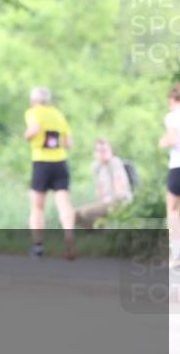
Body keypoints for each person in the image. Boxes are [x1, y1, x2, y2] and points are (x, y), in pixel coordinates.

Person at [25, 86, 76, 259]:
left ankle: (37, 245)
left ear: (34, 100)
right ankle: (69, 235)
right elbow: (69, 143)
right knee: (64, 203)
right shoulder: (58, 114)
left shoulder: (33, 112)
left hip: (41, 162)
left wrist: (28, 136)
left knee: (38, 206)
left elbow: (33, 130)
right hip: (60, 162)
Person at [160, 82, 180, 266]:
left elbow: (172, 140)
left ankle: (176, 256)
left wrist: (162, 142)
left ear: (173, 99)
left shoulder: (172, 117)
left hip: (179, 167)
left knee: (173, 210)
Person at [74, 138, 132, 228]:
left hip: (118, 201)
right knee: (75, 214)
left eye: (104, 150)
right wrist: (99, 204)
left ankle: (107, 230)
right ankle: (92, 234)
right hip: (105, 201)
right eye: (98, 150)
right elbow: (99, 188)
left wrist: (112, 204)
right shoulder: (96, 166)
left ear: (111, 151)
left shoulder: (115, 163)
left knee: (85, 212)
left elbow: (120, 188)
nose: (101, 153)